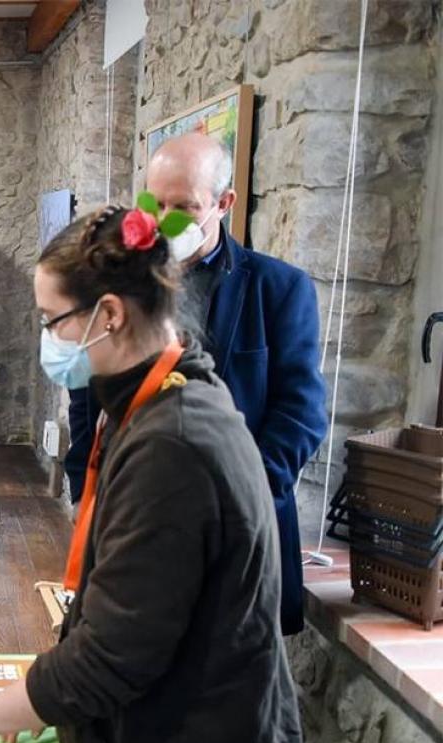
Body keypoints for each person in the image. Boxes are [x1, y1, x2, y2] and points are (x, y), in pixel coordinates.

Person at [0, 205, 302, 743]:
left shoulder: (172, 442)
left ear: (107, 314)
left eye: (51, 319)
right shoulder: (162, 398)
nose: (47, 338)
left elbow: (116, 652)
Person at [65, 134, 327, 636]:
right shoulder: (118, 283)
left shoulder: (278, 289)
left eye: (183, 206)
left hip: (233, 531)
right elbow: (86, 393)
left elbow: (300, 414)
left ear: (223, 204)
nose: (163, 220)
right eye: (152, 203)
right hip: (132, 515)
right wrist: (85, 488)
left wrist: (241, 497)